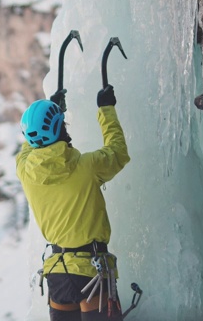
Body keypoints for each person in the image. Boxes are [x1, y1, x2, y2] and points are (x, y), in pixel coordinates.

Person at [16, 84, 130, 321]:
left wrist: (53, 109)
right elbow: (117, 153)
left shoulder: (25, 171)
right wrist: (106, 109)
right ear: (60, 128)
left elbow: (29, 146)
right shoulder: (86, 167)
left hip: (58, 275)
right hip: (92, 271)